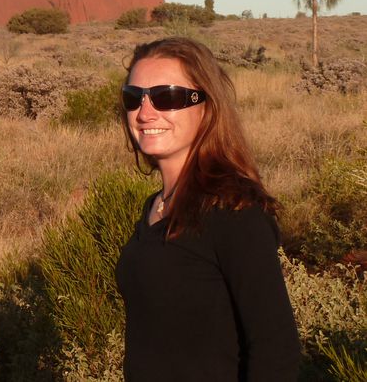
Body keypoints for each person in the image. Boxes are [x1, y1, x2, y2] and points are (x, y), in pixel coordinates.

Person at [114, 37, 301, 381]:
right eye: (133, 97)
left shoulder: (234, 213)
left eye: (167, 96)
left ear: (206, 107)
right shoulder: (155, 208)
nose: (145, 112)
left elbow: (277, 351)